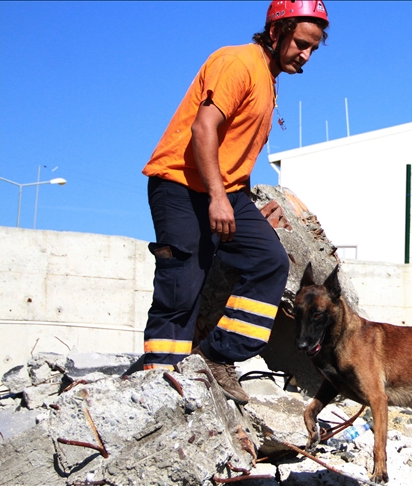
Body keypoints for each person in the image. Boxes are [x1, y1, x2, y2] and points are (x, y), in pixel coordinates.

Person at [140, 0, 329, 404]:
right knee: (181, 289)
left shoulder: (267, 80)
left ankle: (214, 358)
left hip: (226, 191)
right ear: (277, 31)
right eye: (300, 43)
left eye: (314, 47)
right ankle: (159, 385)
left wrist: (244, 208)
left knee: (269, 260)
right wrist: (218, 198)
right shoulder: (237, 62)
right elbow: (203, 128)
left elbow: (232, 152)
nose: (306, 55)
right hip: (180, 186)